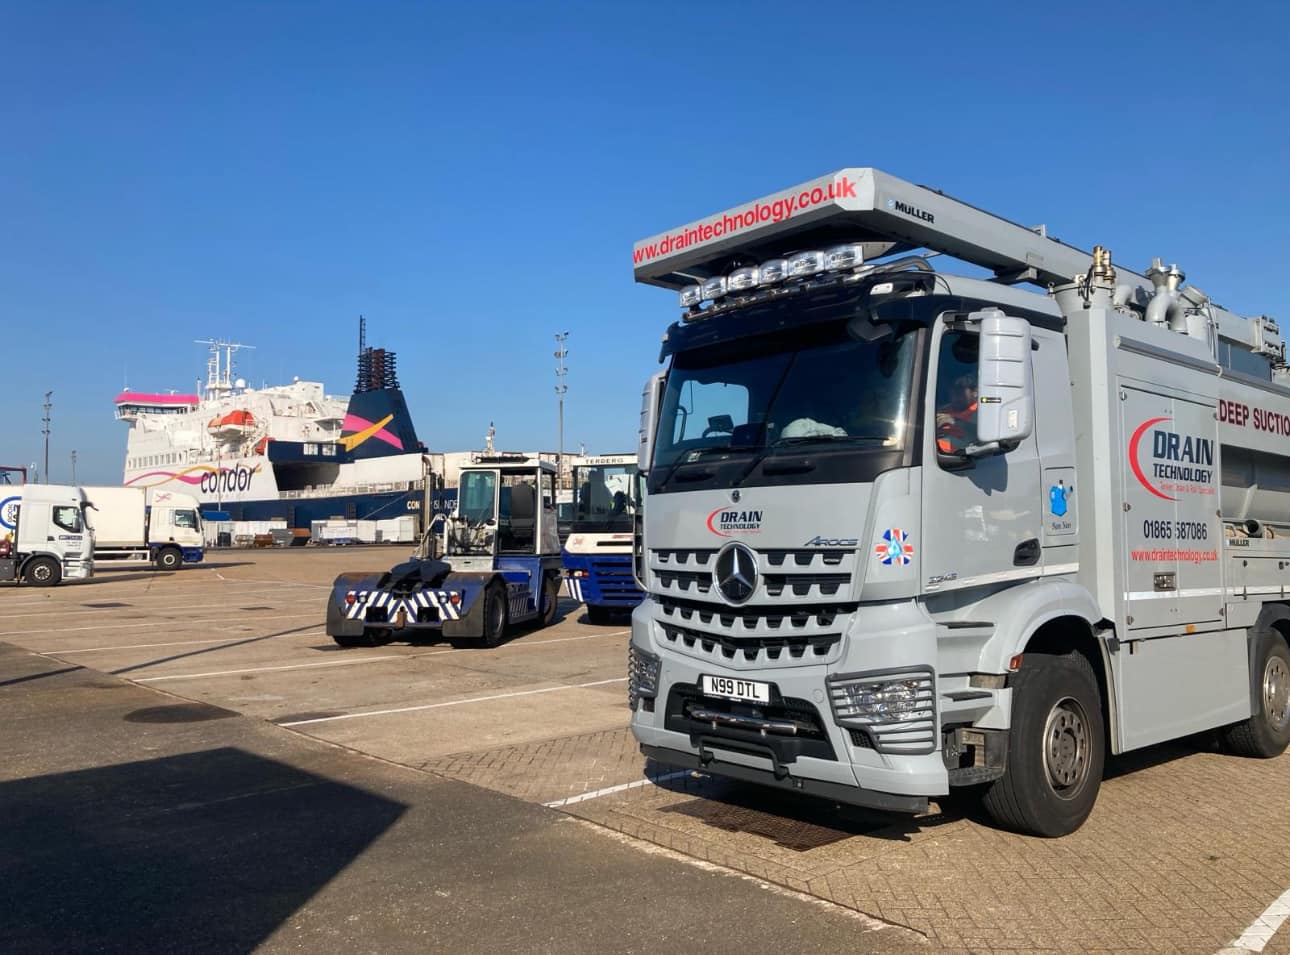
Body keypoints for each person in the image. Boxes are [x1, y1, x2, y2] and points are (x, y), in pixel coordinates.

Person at [936, 374, 978, 453]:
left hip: (958, 456)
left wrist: (955, 421)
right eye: (952, 392)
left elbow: (977, 436)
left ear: (975, 392)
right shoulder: (942, 409)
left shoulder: (981, 412)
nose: (955, 397)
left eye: (959, 392)